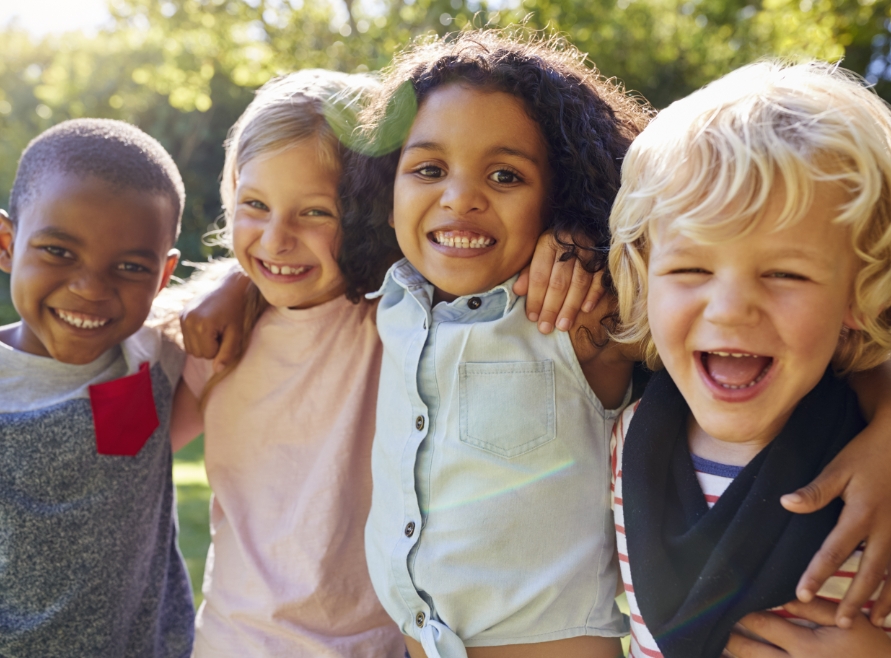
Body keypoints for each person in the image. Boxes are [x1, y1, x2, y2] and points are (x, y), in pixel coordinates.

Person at [342, 29, 648, 658]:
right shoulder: (395, 298)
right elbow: (276, 251)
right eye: (428, 169)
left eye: (506, 175)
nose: (460, 198)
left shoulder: (580, 309)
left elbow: (716, 296)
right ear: (388, 188)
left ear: (557, 193)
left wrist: (588, 245)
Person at [608, 60, 891, 658]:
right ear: (644, 274)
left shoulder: (877, 463)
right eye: (690, 268)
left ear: (857, 291)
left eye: (785, 272)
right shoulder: (625, 436)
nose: (732, 309)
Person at [168, 70, 408, 657]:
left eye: (315, 213)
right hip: (234, 643)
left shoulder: (400, 316)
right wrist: (233, 281)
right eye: (254, 204)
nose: (275, 240)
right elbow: (123, 453)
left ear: (366, 213)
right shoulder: (209, 332)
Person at [0, 118, 194, 656]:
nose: (90, 289)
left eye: (130, 267)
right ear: (7, 244)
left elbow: (262, 280)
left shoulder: (154, 355)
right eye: (58, 252)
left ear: (163, 277)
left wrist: (226, 296)